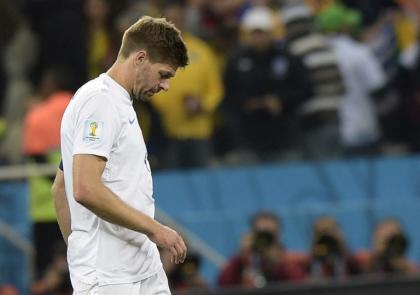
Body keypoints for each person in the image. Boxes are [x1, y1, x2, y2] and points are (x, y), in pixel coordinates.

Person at [52, 16, 189, 295]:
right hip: (109, 276)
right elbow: (84, 188)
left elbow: (60, 187)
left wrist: (79, 251)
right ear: (140, 58)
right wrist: (154, 229)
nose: (166, 86)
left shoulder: (117, 102)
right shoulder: (99, 102)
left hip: (141, 265)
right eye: (164, 74)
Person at [218, 211, 306, 288]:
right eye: (261, 234)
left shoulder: (291, 260)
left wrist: (278, 263)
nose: (265, 239)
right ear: (252, 234)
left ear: (279, 236)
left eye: (270, 234)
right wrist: (241, 257)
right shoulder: (244, 261)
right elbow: (223, 285)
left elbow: (301, 287)